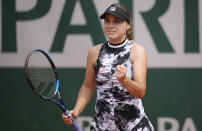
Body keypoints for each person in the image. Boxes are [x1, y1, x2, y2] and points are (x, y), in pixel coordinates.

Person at [62, 3, 154, 131]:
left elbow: (141, 92)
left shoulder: (137, 51)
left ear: (127, 25)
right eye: (107, 21)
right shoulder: (94, 52)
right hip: (102, 126)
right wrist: (76, 112)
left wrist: (125, 81)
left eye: (117, 21)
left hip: (134, 126)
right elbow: (88, 86)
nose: (111, 26)